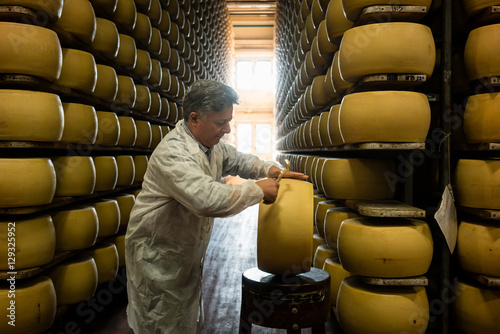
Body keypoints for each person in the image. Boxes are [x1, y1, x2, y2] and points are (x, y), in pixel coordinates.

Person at [125, 80, 307, 333]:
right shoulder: (174, 153)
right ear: (195, 118)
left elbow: (240, 161)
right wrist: (257, 189)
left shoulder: (212, 147)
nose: (227, 129)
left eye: (229, 121)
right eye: (221, 123)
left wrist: (270, 169)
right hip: (157, 256)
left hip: (183, 252)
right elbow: (206, 199)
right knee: (161, 321)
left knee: (184, 316)